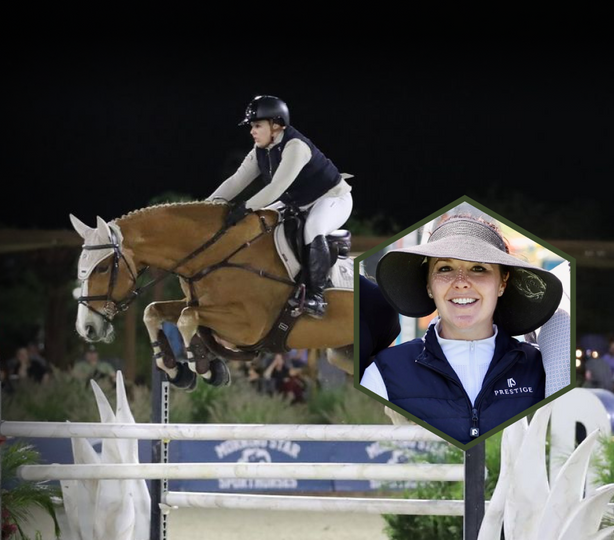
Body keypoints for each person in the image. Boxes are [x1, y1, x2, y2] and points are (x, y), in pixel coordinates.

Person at [359, 215, 563, 445]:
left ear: (502, 282)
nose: (461, 282)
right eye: (445, 268)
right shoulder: (386, 372)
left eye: (478, 268)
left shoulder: (540, 369)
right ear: (428, 284)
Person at [208, 95, 353, 319]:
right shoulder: (261, 150)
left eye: (257, 125)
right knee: (260, 224)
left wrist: (245, 207)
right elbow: (236, 181)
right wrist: (209, 205)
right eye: (252, 126)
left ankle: (316, 297)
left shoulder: (296, 146)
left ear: (276, 125)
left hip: (332, 198)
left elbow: (276, 188)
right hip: (297, 202)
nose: (252, 131)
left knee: (313, 229)